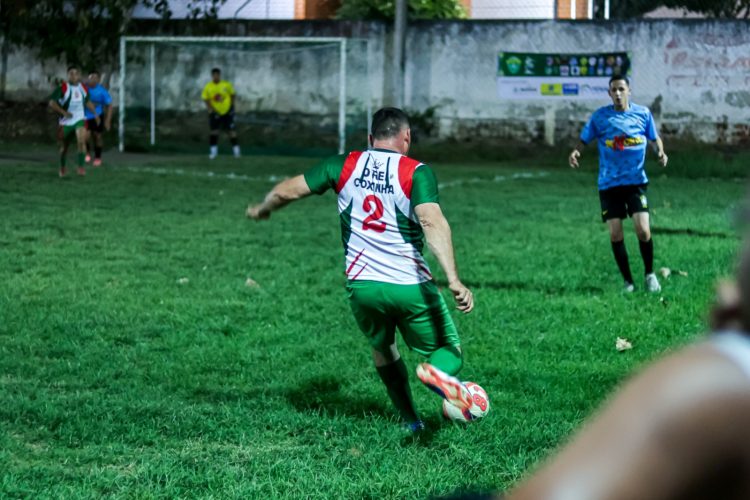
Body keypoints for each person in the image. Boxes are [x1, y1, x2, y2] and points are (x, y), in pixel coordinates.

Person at [246, 107, 479, 433]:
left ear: (371, 138)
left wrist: (264, 208)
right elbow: (431, 221)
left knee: (383, 349)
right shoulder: (416, 171)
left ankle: (411, 422)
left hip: (362, 286)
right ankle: (438, 375)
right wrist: (453, 278)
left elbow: (288, 189)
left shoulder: (343, 164)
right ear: (407, 137)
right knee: (448, 349)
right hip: (409, 285)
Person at [569, 75, 668, 293]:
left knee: (643, 230)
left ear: (629, 91)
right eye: (613, 90)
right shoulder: (600, 117)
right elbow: (584, 139)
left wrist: (661, 152)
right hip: (609, 183)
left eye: (621, 89)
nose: (618, 93)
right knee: (615, 234)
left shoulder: (643, 114)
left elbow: (654, 138)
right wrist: (576, 152)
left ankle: (649, 275)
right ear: (609, 93)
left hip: (635, 182)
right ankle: (628, 282)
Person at [49, 65, 100, 177]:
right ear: (68, 75)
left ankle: (80, 168)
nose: (73, 76)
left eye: (76, 74)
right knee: (65, 147)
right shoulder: (63, 88)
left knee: (81, 141)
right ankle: (62, 167)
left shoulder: (83, 88)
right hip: (66, 122)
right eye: (71, 74)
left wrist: (95, 114)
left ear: (79, 76)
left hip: (80, 119)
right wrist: (63, 112)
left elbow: (87, 102)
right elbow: (52, 103)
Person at [201, 68, 240, 159]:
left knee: (231, 131)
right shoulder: (208, 86)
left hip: (227, 111)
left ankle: (236, 152)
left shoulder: (226, 84)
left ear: (219, 75)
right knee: (214, 131)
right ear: (212, 76)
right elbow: (205, 98)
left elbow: (233, 94)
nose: (216, 77)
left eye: (217, 75)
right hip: (215, 112)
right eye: (214, 75)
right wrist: (210, 109)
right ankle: (213, 153)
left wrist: (232, 106)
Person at [83, 70, 113, 167]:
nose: (93, 80)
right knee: (85, 137)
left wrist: (108, 120)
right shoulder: (84, 89)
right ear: (88, 79)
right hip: (85, 116)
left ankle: (97, 157)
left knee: (97, 136)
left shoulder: (102, 91)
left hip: (98, 116)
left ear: (99, 80)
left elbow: (109, 105)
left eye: (96, 78)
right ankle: (87, 153)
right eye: (91, 77)